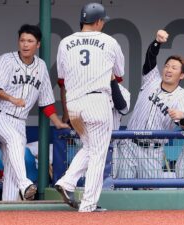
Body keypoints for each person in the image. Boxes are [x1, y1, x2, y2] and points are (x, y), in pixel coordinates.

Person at [54, 2, 125, 212]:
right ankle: (89, 205)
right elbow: (119, 74)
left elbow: (61, 78)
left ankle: (66, 182)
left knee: (90, 147)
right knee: (98, 153)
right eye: (103, 21)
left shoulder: (65, 42)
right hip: (97, 101)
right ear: (98, 21)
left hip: (74, 104)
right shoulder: (109, 41)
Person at [0, 24, 69, 201]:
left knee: (11, 163)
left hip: (19, 121)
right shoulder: (6, 60)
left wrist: (57, 121)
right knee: (14, 140)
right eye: (22, 40)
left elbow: (46, 101)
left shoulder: (40, 67)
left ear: (38, 45)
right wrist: (12, 98)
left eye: (30, 41)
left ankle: (8, 209)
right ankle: (25, 184)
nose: (25, 44)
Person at [117, 29, 184, 181]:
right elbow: (150, 58)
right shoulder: (152, 80)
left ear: (182, 75)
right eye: (167, 66)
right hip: (129, 144)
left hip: (153, 151)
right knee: (122, 191)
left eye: (174, 67)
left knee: (149, 197)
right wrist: (157, 43)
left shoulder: (182, 97)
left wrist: (182, 116)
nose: (168, 69)